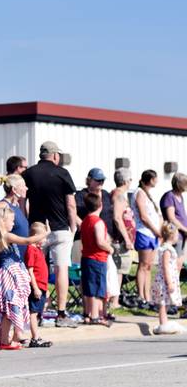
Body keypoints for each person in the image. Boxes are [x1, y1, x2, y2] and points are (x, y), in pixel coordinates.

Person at [22, 141, 78, 328]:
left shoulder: (28, 173)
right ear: (55, 155)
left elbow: (24, 202)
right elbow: (70, 203)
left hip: (37, 228)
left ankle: (36, 313)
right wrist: (73, 226)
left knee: (37, 269)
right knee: (61, 268)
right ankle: (61, 314)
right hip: (60, 227)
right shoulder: (62, 173)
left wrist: (28, 223)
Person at [0, 207, 48, 350]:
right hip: (9, 274)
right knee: (11, 307)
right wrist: (45, 233)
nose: (13, 223)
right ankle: (4, 341)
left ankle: (7, 340)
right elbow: (27, 241)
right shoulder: (6, 236)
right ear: (3, 221)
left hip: (12, 273)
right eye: (12, 220)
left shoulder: (0, 236)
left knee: (12, 308)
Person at [80, 193, 113, 326]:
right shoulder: (97, 222)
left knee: (88, 287)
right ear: (100, 205)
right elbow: (100, 241)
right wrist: (110, 248)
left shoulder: (85, 221)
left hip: (86, 257)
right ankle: (95, 315)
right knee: (97, 288)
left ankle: (88, 313)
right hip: (97, 258)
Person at [131, 169, 162, 308]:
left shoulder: (148, 194)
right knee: (143, 265)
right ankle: (141, 295)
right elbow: (143, 216)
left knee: (149, 266)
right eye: (155, 178)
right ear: (150, 179)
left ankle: (147, 295)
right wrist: (156, 230)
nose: (157, 181)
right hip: (144, 232)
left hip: (152, 234)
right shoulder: (140, 193)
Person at [152, 222, 185, 335]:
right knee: (163, 303)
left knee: (166, 303)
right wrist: (169, 282)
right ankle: (163, 324)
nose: (177, 238)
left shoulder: (167, 248)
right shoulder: (167, 249)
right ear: (172, 236)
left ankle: (164, 322)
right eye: (176, 235)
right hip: (165, 280)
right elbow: (166, 266)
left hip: (166, 279)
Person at [109, 168, 134, 316]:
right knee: (119, 270)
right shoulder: (118, 196)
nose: (131, 183)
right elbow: (117, 218)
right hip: (119, 240)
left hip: (121, 239)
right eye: (130, 180)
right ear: (125, 181)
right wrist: (126, 238)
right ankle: (114, 301)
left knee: (120, 270)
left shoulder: (119, 195)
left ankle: (114, 299)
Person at [25, 222, 52, 347]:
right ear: (35, 236)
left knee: (39, 311)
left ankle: (36, 336)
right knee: (33, 313)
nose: (45, 240)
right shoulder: (31, 249)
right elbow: (30, 270)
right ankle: (35, 338)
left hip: (42, 286)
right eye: (43, 237)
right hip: (36, 286)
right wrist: (35, 287)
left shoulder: (38, 249)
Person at [160, 173, 187, 267]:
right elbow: (171, 218)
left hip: (182, 235)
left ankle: (176, 281)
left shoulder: (180, 196)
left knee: (180, 263)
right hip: (174, 234)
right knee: (175, 264)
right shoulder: (169, 196)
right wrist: (185, 230)